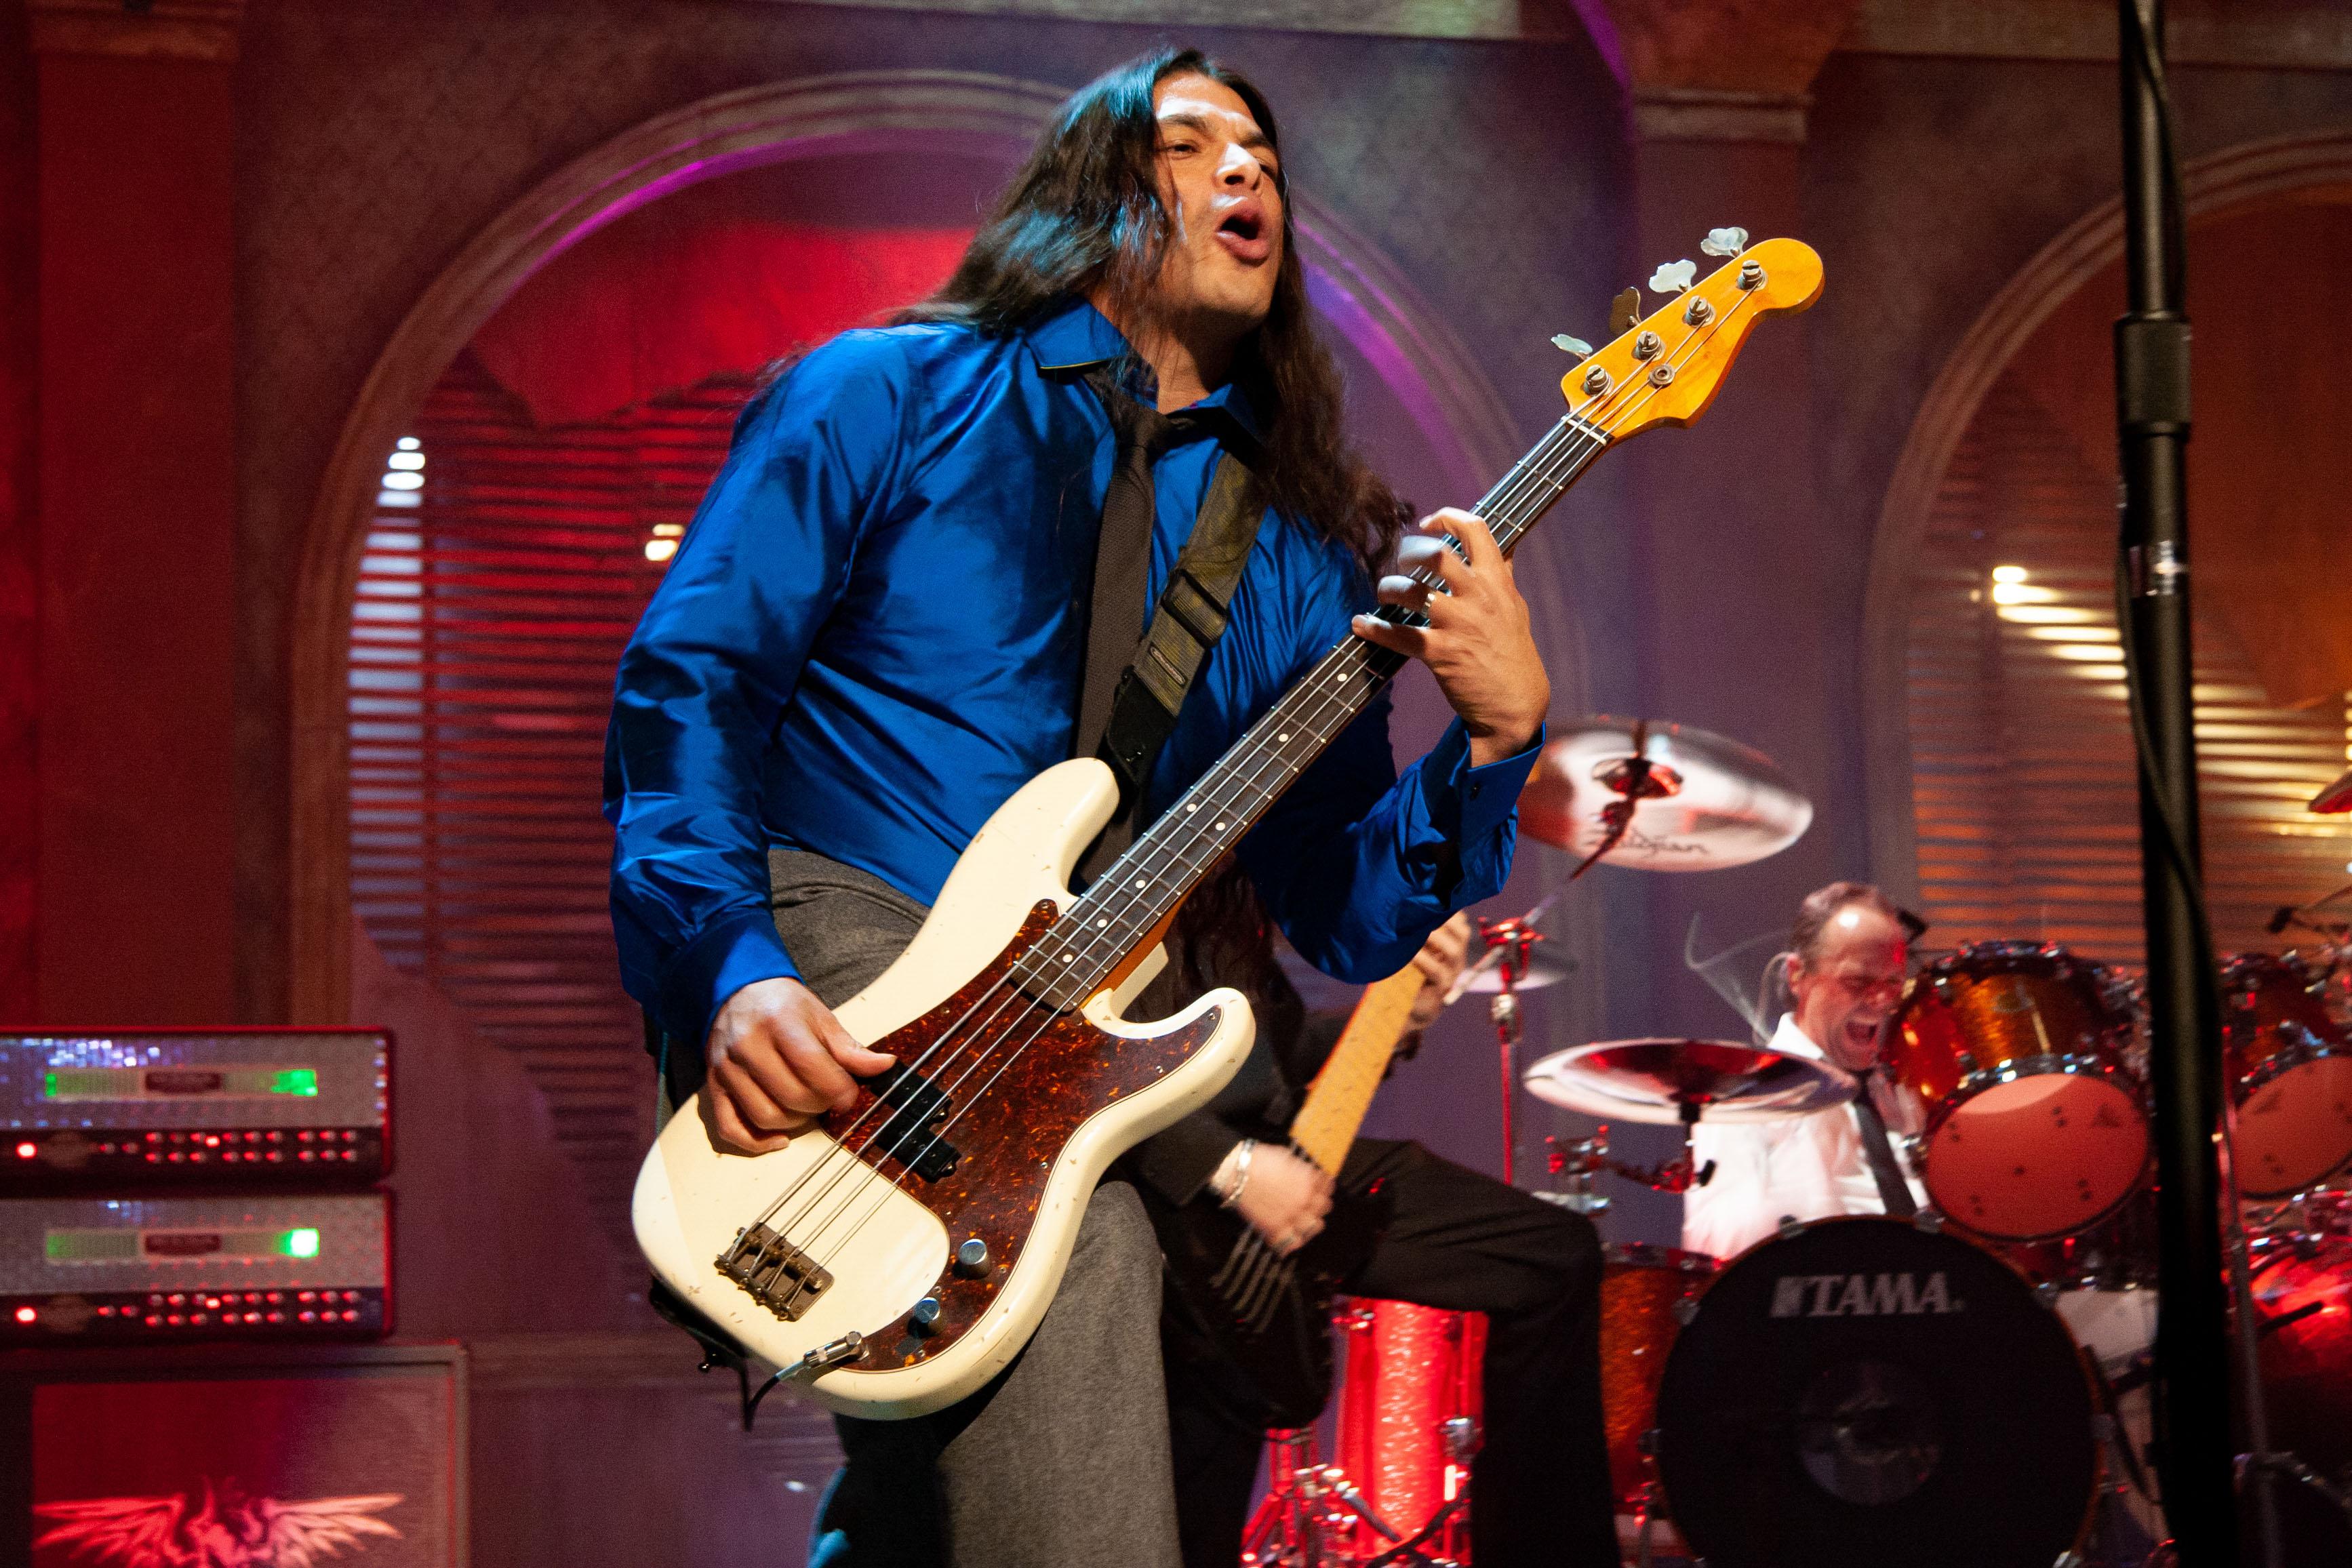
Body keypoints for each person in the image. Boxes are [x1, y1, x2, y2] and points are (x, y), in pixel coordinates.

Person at [601, 46, 1551, 1568]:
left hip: (1072, 1028)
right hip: (837, 938)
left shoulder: (1299, 551)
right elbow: (691, 687)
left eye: (1266, 157)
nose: (1246, 170)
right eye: (1191, 142)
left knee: (964, 1471)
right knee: (1084, 1265)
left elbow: (1340, 905)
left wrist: (1492, 741)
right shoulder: (883, 393)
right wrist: (729, 962)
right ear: (1090, 189)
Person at [1136, 912, 1621, 1568]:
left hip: (1272, 1150)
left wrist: (1394, 1018)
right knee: (1195, 1488)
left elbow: (1267, 1065)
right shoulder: (1132, 876)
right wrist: (1230, 1167)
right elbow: (1069, 1058)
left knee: (1551, 1257)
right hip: (1164, 1188)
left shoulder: (1237, 903)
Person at [1681, 881, 1927, 1262]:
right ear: (1797, 975)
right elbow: (1721, 1248)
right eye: (1858, 981)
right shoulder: (1747, 1094)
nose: (1881, 1001)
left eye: (1893, 983)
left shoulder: (1905, 1092)